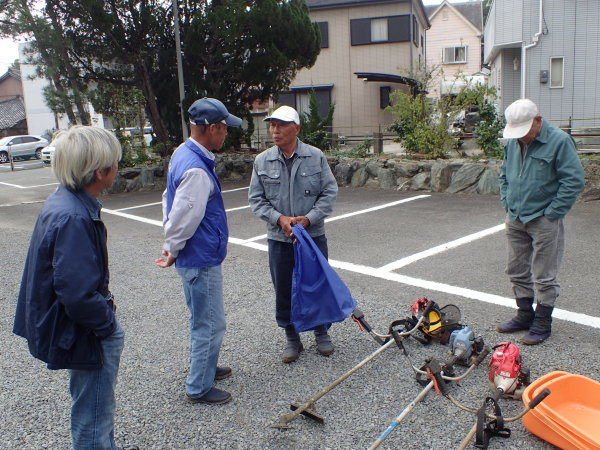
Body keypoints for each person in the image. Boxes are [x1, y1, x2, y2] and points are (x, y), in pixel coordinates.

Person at [13, 126, 124, 449]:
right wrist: (108, 326)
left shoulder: (64, 202)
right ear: (100, 171)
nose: (117, 167)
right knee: (93, 414)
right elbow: (77, 293)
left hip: (75, 328)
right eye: (115, 162)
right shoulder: (75, 216)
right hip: (84, 333)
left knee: (91, 406)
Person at [155, 97, 241, 404]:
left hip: (196, 255)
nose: (226, 134)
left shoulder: (184, 152)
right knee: (210, 323)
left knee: (201, 318)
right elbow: (183, 217)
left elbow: (169, 198)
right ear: (213, 128)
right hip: (200, 257)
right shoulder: (197, 169)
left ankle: (207, 366)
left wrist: (172, 247)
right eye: (224, 128)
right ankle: (198, 386)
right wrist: (172, 248)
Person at [248, 105, 338, 363]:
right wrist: (280, 219)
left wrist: (308, 220)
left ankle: (321, 331)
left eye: (281, 125)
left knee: (317, 284)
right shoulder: (262, 160)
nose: (275, 130)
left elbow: (329, 193)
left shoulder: (315, 156)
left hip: (312, 236)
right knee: (284, 288)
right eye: (272, 125)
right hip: (280, 238)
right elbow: (256, 200)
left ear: (296, 128)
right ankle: (291, 336)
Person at [498, 98, 585, 345]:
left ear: (538, 121)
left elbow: (574, 181)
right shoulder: (513, 142)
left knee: (544, 274)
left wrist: (552, 214)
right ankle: (525, 314)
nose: (522, 137)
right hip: (515, 216)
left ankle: (542, 322)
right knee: (516, 269)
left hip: (544, 219)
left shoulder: (559, 141)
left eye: (525, 131)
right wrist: (507, 201)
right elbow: (504, 174)